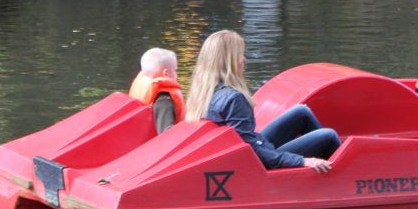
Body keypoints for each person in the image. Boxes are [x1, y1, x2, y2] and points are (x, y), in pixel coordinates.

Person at [184, 30, 339, 172]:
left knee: (302, 112)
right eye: (239, 55)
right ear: (228, 61)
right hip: (261, 162)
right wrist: (303, 161)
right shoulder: (234, 99)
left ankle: (326, 164)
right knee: (328, 135)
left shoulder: (204, 93)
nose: (243, 60)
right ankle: (342, 175)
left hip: (256, 148)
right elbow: (251, 151)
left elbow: (246, 141)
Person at [128, 47, 184, 133]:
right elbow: (166, 135)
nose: (177, 75)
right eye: (175, 70)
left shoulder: (142, 84)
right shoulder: (164, 99)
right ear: (166, 73)